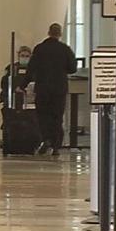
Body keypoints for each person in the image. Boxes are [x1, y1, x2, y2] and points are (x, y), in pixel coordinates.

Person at [28, 23, 77, 156]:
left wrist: (22, 85)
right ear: (60, 34)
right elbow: (73, 68)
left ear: (49, 32)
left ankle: (46, 139)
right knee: (57, 117)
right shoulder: (65, 49)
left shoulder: (40, 48)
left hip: (43, 88)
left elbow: (31, 68)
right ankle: (56, 146)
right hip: (59, 89)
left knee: (42, 116)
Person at [0, 46, 33, 110]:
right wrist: (14, 89)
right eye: (22, 55)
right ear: (18, 56)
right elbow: (4, 83)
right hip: (13, 100)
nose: (24, 58)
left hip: (29, 101)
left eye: (27, 56)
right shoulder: (11, 68)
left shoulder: (34, 69)